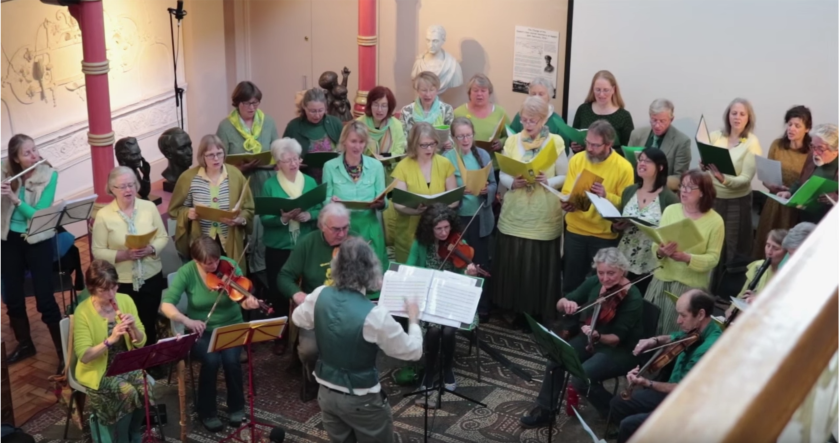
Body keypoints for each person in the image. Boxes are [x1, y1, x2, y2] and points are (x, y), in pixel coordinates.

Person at [292, 237, 423, 442]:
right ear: (370, 271)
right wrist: (414, 319)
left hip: (326, 393)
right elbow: (413, 351)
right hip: (362, 399)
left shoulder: (319, 295)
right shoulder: (375, 316)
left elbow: (298, 318)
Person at [521, 248, 643, 428]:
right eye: (601, 272)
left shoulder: (632, 296)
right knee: (556, 358)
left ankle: (617, 415)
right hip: (591, 338)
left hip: (620, 349)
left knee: (581, 378)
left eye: (611, 273)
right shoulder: (595, 283)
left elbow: (617, 338)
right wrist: (566, 303)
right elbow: (561, 303)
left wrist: (598, 335)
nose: (605, 278)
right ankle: (546, 410)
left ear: (623, 270)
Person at [160, 236, 261, 432]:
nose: (215, 266)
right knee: (211, 360)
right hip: (202, 328)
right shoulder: (187, 272)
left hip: (231, 324)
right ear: (196, 261)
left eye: (216, 260)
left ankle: (237, 407)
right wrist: (187, 320)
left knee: (232, 360)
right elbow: (166, 304)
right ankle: (207, 411)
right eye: (208, 263)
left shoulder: (229, 265)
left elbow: (240, 298)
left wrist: (248, 302)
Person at [609, 290, 722, 443]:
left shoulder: (710, 348)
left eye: (683, 315)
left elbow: (683, 389)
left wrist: (647, 383)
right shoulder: (697, 328)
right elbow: (676, 337)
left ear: (701, 314)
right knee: (619, 403)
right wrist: (654, 340)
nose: (678, 321)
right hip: (672, 390)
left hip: (687, 403)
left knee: (630, 425)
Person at [493, 97, 568, 323]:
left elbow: (565, 175)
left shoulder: (555, 141)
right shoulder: (513, 140)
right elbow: (503, 172)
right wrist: (512, 182)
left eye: (533, 120)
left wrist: (549, 181)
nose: (527, 124)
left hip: (543, 212)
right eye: (524, 120)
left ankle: (535, 312)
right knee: (514, 263)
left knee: (536, 265)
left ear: (544, 119)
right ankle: (511, 310)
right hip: (516, 211)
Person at [1, 134, 63, 369]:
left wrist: (15, 199)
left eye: (34, 150)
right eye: (27, 153)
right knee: (12, 296)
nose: (35, 156)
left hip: (38, 238)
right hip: (9, 238)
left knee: (45, 299)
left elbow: (38, 215)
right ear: (15, 159)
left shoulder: (49, 175)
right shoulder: (4, 171)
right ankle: (25, 343)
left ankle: (62, 353)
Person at [278, 203, 354, 395]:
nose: (342, 234)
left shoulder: (355, 242)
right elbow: (284, 276)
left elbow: (369, 276)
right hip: (316, 311)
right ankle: (314, 381)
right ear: (322, 226)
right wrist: (298, 295)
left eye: (345, 228)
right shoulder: (308, 242)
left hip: (347, 309)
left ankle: (347, 382)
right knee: (309, 351)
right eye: (336, 229)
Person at [406, 204, 479, 401]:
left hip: (452, 296)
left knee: (447, 330)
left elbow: (464, 275)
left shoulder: (458, 242)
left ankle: (447, 368)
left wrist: (468, 272)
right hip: (428, 295)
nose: (444, 233)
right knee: (433, 330)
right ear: (429, 228)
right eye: (439, 229)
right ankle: (429, 371)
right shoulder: (420, 243)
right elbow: (411, 268)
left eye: (447, 227)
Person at [92, 166, 169, 346]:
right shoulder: (103, 216)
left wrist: (150, 249)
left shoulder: (149, 207)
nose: (129, 190)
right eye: (123, 186)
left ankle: (150, 362)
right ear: (112, 189)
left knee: (148, 322)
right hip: (122, 282)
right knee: (126, 324)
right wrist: (124, 254)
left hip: (151, 276)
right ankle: (130, 364)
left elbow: (163, 237)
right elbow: (98, 250)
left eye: (132, 185)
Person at [73, 260, 148, 442]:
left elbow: (141, 342)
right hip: (99, 369)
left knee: (147, 386)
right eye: (104, 290)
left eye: (114, 287)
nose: (111, 294)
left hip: (124, 364)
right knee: (127, 391)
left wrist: (133, 330)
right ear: (91, 289)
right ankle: (121, 438)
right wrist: (110, 340)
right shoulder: (82, 312)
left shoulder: (126, 300)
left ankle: (134, 432)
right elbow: (84, 356)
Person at [645, 170, 724, 334]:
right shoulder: (671, 210)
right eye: (683, 186)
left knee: (674, 333)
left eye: (690, 188)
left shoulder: (715, 221)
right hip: (662, 280)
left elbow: (713, 258)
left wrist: (687, 258)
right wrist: (660, 252)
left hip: (689, 288)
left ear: (703, 192)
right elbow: (656, 244)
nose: (684, 191)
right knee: (649, 326)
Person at [262, 138, 321, 355]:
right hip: (279, 247)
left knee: (307, 289)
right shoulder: (270, 185)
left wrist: (309, 215)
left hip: (305, 244)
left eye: (296, 159)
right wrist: (284, 218)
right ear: (278, 163)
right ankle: (281, 335)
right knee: (278, 292)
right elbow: (265, 218)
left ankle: (307, 333)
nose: (293, 164)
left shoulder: (310, 182)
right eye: (287, 161)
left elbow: (320, 209)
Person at [562, 120, 634, 294]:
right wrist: (566, 202)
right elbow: (566, 190)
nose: (589, 148)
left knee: (601, 285)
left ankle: (592, 320)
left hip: (604, 235)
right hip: (575, 230)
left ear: (609, 144)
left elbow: (627, 204)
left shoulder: (624, 167)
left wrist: (606, 195)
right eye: (587, 142)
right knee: (571, 280)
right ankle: (569, 319)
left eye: (595, 145)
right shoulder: (577, 160)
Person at [169, 134, 254, 273]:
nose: (216, 159)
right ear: (202, 156)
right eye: (210, 155)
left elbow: (248, 208)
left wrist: (240, 219)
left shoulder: (235, 175)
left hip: (230, 239)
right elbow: (175, 210)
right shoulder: (188, 178)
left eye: (219, 154)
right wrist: (187, 213)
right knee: (206, 281)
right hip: (202, 241)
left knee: (232, 278)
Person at [443, 117, 497, 319]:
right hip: (457, 218)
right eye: (460, 136)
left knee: (480, 263)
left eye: (468, 135)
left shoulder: (482, 155)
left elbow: (493, 183)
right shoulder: (447, 158)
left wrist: (486, 190)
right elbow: (443, 190)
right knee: (458, 262)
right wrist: (458, 191)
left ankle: (482, 307)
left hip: (480, 218)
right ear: (453, 137)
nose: (465, 140)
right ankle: (458, 307)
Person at [611, 148, 679, 296]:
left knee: (641, 300)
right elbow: (620, 222)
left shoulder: (669, 198)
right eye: (640, 160)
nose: (642, 163)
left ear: (660, 167)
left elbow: (672, 232)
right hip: (624, 256)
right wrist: (617, 226)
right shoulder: (629, 191)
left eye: (647, 161)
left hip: (650, 260)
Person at [704, 98, 762, 271]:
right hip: (712, 197)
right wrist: (704, 164)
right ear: (728, 115)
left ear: (748, 118)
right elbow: (707, 160)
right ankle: (709, 278)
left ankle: (727, 284)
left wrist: (724, 179)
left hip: (736, 201)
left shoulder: (752, 143)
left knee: (731, 243)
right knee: (710, 239)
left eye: (742, 114)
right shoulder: (715, 136)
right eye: (734, 113)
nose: (737, 117)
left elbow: (745, 178)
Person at [323, 121, 389, 268]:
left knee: (373, 275)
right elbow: (325, 200)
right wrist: (332, 204)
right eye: (353, 141)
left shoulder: (376, 166)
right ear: (344, 141)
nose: (357, 146)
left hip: (369, 228)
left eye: (361, 142)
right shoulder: (330, 167)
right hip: (342, 229)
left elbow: (384, 201)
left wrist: (382, 203)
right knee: (346, 273)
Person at [390, 123, 458, 263]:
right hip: (409, 232)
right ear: (414, 144)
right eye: (423, 145)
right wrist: (416, 211)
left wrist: (437, 211)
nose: (429, 149)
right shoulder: (403, 166)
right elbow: (398, 203)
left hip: (438, 233)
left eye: (432, 144)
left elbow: (454, 199)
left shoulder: (445, 163)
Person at [752, 106, 812, 258]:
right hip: (774, 202)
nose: (791, 129)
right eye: (789, 124)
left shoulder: (811, 152)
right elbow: (766, 177)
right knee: (767, 242)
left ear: (807, 129)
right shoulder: (777, 145)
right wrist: (770, 185)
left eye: (797, 126)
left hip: (795, 206)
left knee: (787, 245)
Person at [217, 81, 280, 199]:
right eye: (247, 103)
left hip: (267, 180)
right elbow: (219, 161)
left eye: (255, 103)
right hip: (240, 182)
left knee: (268, 215)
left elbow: (278, 151)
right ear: (237, 103)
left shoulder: (268, 122)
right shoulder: (225, 126)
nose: (252, 107)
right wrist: (238, 168)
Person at [777, 124, 839, 224]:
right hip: (806, 217)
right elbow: (802, 180)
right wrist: (790, 192)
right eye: (813, 146)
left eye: (820, 148)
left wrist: (836, 198)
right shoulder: (811, 157)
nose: (815, 153)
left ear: (836, 150)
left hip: (830, 223)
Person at [627, 99, 691, 191]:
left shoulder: (682, 142)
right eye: (654, 120)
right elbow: (628, 166)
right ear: (650, 117)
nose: (657, 125)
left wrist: (653, 181)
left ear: (671, 119)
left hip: (663, 193)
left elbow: (680, 178)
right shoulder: (636, 135)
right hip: (636, 188)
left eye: (662, 121)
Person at [282, 88, 344, 183]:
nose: (317, 115)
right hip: (302, 180)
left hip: (333, 179)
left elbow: (346, 149)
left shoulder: (335, 123)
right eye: (312, 111)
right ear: (304, 107)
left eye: (320, 110)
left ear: (326, 108)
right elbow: (283, 155)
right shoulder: (293, 126)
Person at [725, 229, 787, 319]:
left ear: (786, 253)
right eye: (768, 245)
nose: (769, 252)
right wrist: (731, 310)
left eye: (775, 248)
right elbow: (743, 293)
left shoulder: (786, 277)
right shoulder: (758, 265)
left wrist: (758, 301)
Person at [572, 70, 634, 152]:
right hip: (585, 162)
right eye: (598, 90)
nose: (601, 94)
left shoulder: (624, 116)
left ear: (613, 90)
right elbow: (574, 137)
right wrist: (574, 146)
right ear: (592, 89)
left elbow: (627, 150)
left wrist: (604, 150)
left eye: (606, 90)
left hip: (612, 163)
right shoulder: (583, 110)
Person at [454, 74, 510, 155]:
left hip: (492, 163)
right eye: (475, 90)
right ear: (469, 93)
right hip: (465, 162)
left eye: (483, 90)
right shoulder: (458, 113)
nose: (479, 94)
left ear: (489, 93)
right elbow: (449, 139)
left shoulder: (500, 112)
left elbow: (511, 136)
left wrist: (501, 142)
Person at [399, 71, 454, 150]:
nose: (428, 94)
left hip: (440, 155)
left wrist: (449, 142)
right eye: (424, 90)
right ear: (417, 90)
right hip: (414, 155)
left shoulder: (447, 109)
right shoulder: (406, 111)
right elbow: (402, 138)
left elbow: (452, 135)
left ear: (437, 90)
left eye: (431, 90)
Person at [509, 78, 568, 147]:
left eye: (541, 94)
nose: (537, 97)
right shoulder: (521, 116)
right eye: (533, 94)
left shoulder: (558, 122)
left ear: (549, 96)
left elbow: (563, 149)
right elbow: (510, 137)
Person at [357, 85, 407, 157]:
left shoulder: (397, 125)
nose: (379, 110)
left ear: (389, 107)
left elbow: (400, 151)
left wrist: (385, 156)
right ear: (370, 105)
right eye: (375, 104)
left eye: (384, 106)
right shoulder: (358, 124)